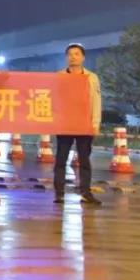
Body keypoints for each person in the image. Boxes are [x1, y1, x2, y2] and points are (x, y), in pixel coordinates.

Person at [55, 43, 103, 206]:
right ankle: (59, 193)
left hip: (84, 124)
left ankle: (86, 193)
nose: (73, 57)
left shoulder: (91, 77)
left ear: (83, 57)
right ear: (66, 57)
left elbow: (96, 101)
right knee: (61, 159)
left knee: (84, 160)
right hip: (65, 124)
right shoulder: (59, 76)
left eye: (76, 54)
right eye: (70, 54)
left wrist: (95, 122)